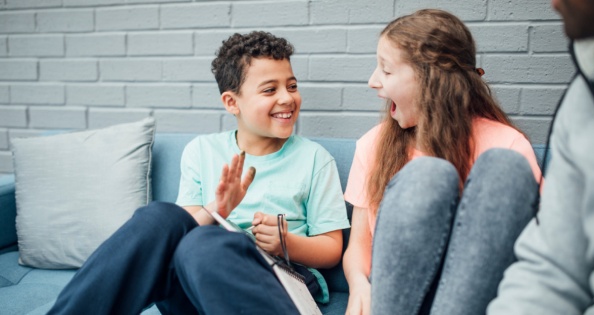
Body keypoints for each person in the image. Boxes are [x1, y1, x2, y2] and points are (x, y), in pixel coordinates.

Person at [47, 31, 350, 314]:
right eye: (270, 89)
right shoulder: (201, 151)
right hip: (200, 279)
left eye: (292, 86)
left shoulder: (314, 159)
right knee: (161, 219)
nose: (287, 98)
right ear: (232, 102)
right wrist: (216, 210)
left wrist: (286, 241)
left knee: (203, 244)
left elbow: (332, 249)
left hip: (280, 280)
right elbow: (180, 228)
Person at [342, 9, 543, 315]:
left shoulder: (508, 145)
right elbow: (359, 246)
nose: (373, 81)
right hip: (399, 302)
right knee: (427, 176)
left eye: (386, 70)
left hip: (474, 303)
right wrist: (358, 284)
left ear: (430, 81)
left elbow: (537, 253)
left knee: (506, 168)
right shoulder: (373, 144)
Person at [487, 0, 594, 313]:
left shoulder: (507, 148)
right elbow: (552, 266)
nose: (552, 3)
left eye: (387, 69)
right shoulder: (582, 101)